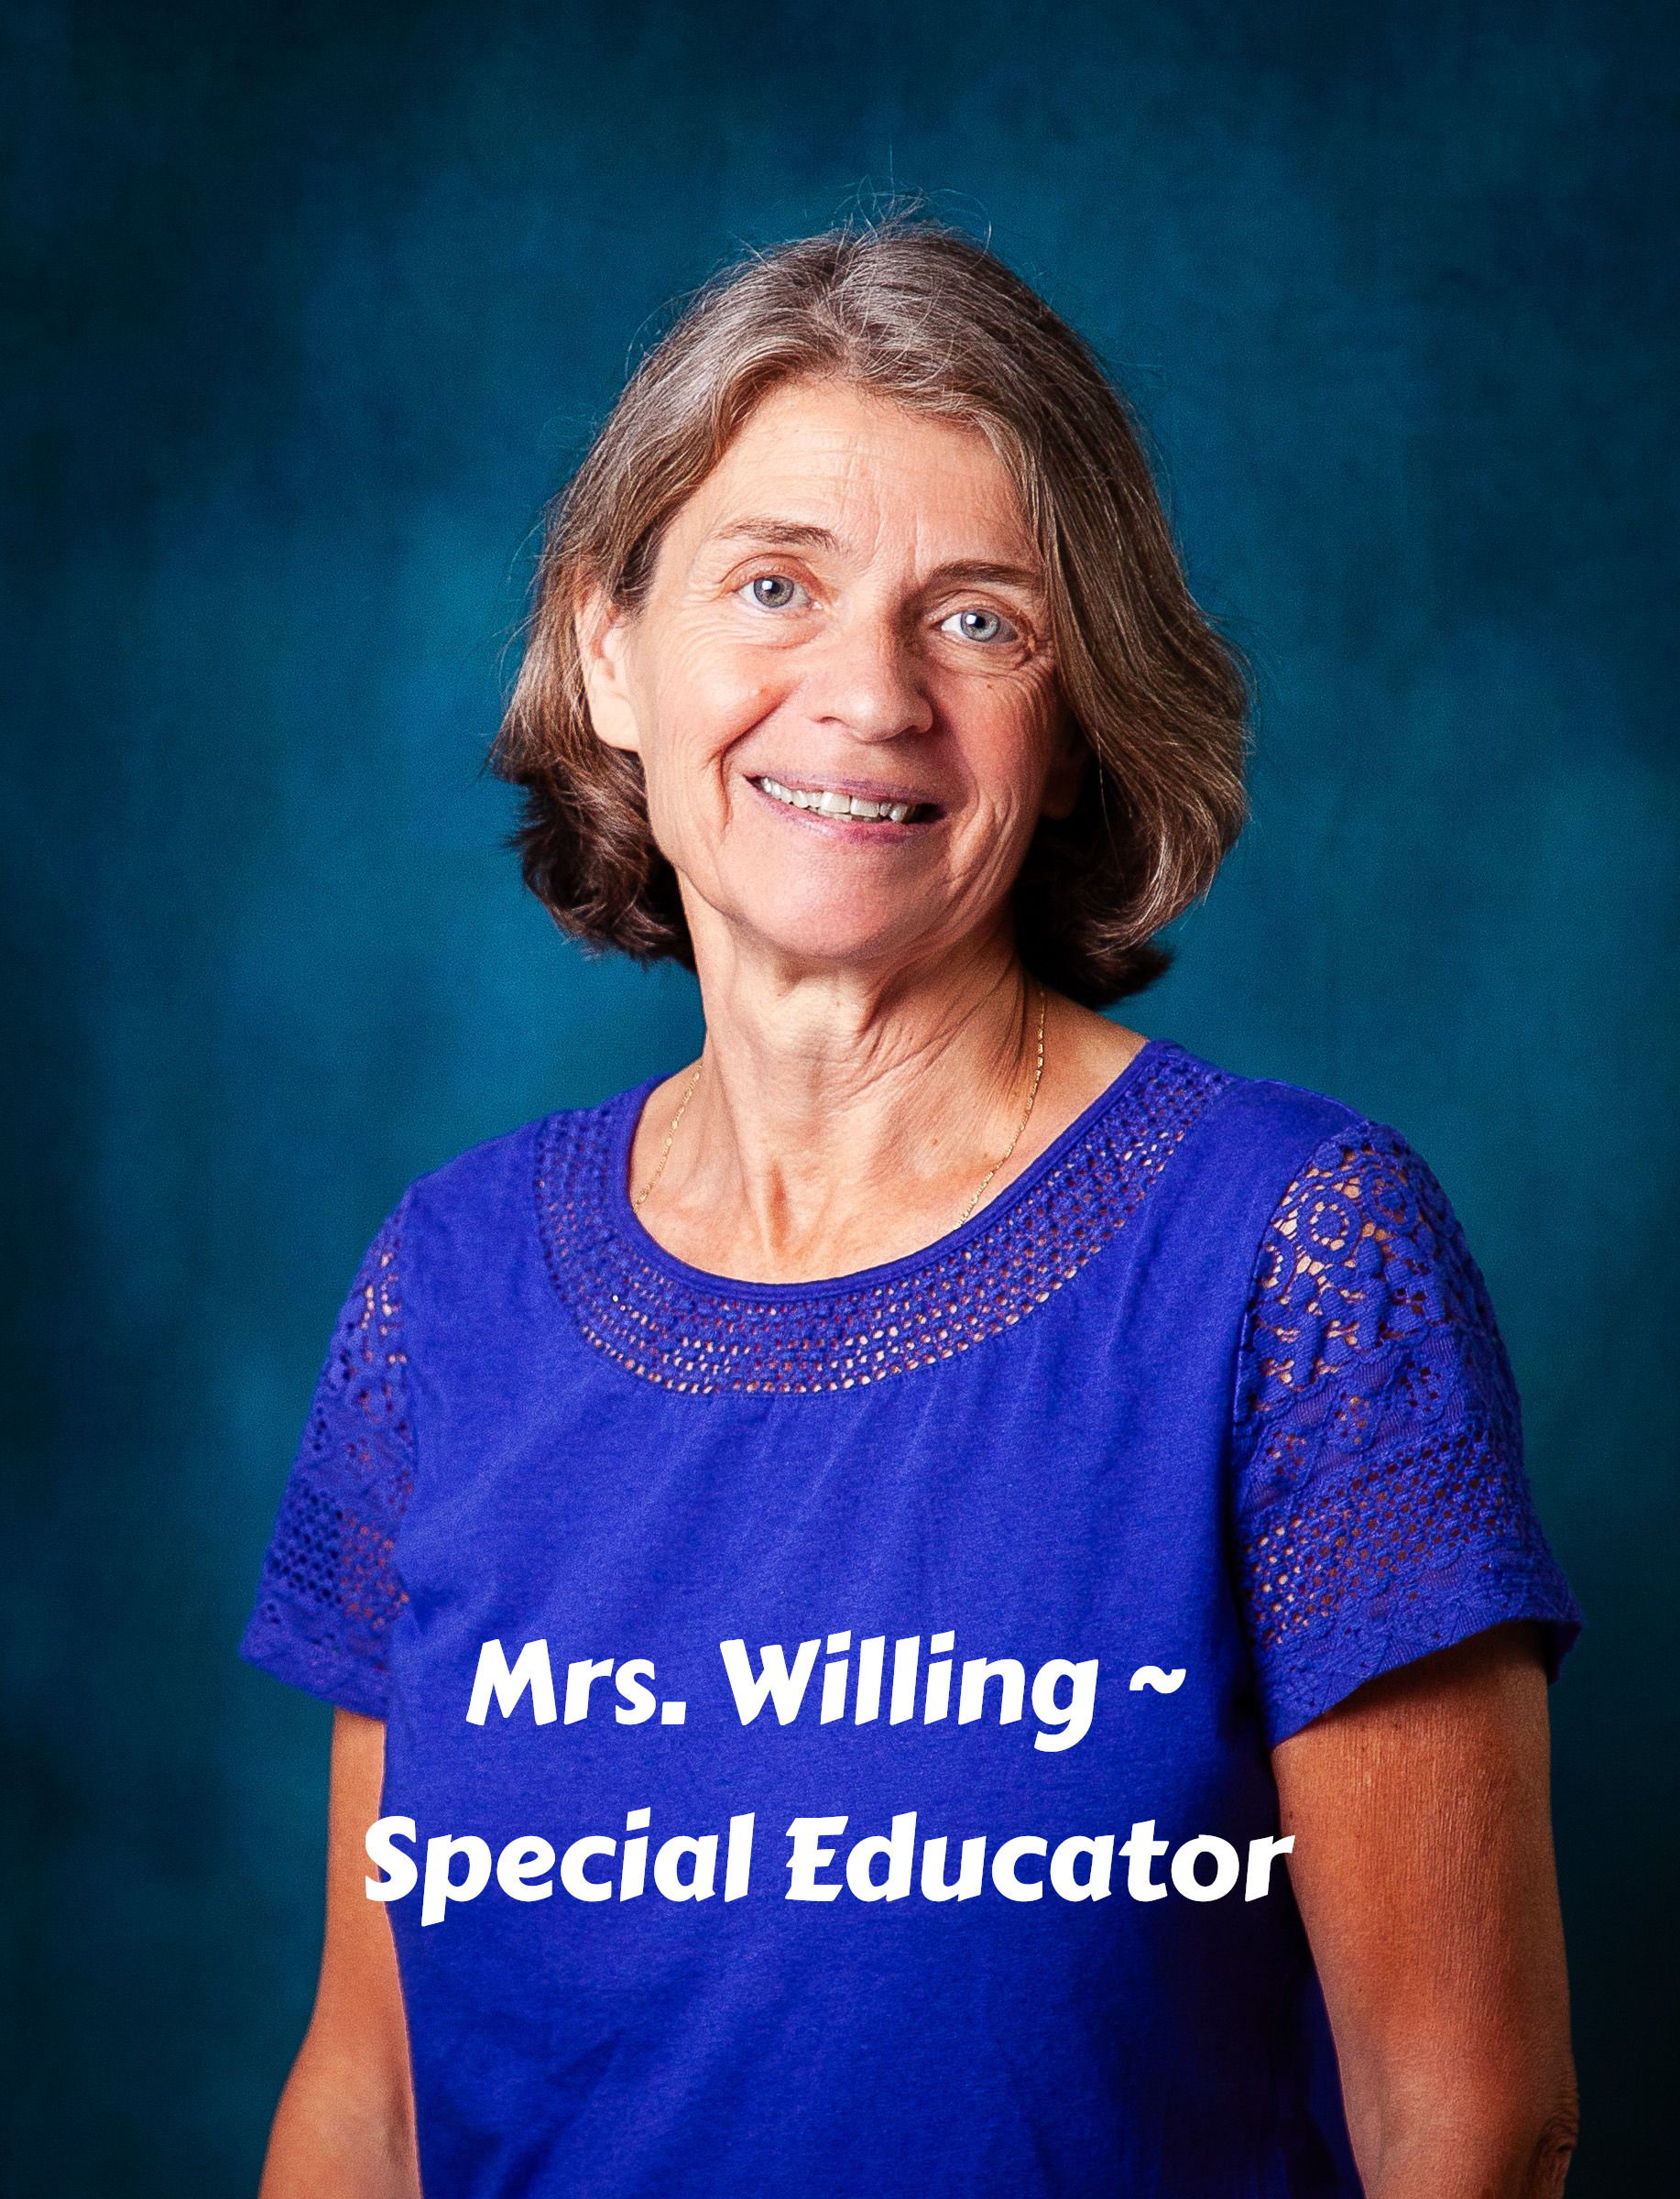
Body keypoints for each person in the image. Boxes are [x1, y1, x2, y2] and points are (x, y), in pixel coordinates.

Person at [238, 218, 1583, 2199]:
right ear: (612, 650)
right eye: (772, 584)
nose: (864, 694)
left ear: (1076, 722)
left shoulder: (1298, 1253)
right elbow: (372, 2093)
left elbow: (1468, 2127)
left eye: (979, 619)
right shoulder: (441, 1288)